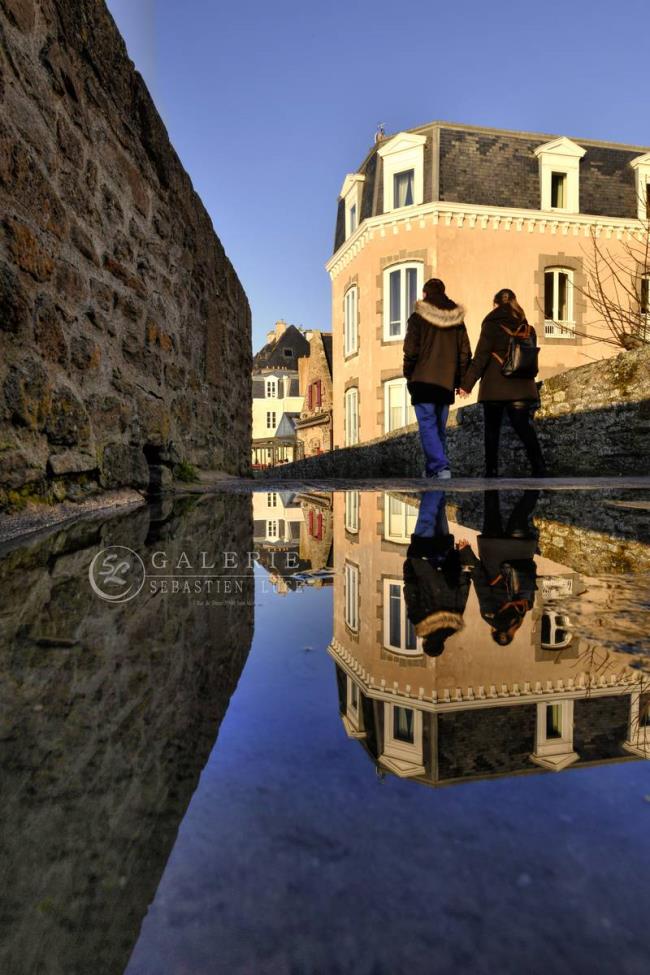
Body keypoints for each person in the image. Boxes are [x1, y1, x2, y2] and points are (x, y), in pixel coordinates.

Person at [460, 288, 546, 477]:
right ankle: (539, 467)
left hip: (495, 386)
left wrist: (467, 385)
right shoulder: (526, 327)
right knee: (523, 427)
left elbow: (481, 357)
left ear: (495, 304)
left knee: (492, 430)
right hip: (523, 385)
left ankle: (491, 472)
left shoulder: (491, 325)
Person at [403, 278, 471, 479]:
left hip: (423, 381)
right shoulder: (457, 321)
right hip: (446, 383)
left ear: (425, 294)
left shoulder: (417, 318)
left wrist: (409, 373)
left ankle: (441, 467)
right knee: (438, 429)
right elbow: (465, 353)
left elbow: (410, 350)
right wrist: (460, 381)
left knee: (427, 426)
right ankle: (434, 469)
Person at [402, 491, 474, 656]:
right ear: (426, 642)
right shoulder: (418, 620)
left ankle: (439, 484)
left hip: (447, 559)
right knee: (426, 517)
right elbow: (410, 588)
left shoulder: (454, 620)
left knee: (440, 512)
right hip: (423, 560)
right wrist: (410, 563)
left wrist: (461, 557)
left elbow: (463, 588)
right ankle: (436, 480)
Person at [468, 490, 540, 645]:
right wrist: (466, 553)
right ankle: (491, 476)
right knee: (491, 510)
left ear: (512, 633)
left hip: (519, 552)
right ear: (493, 631)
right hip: (493, 550)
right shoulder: (489, 614)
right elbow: (480, 581)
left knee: (520, 514)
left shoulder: (524, 609)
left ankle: (536, 481)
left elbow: (529, 577)